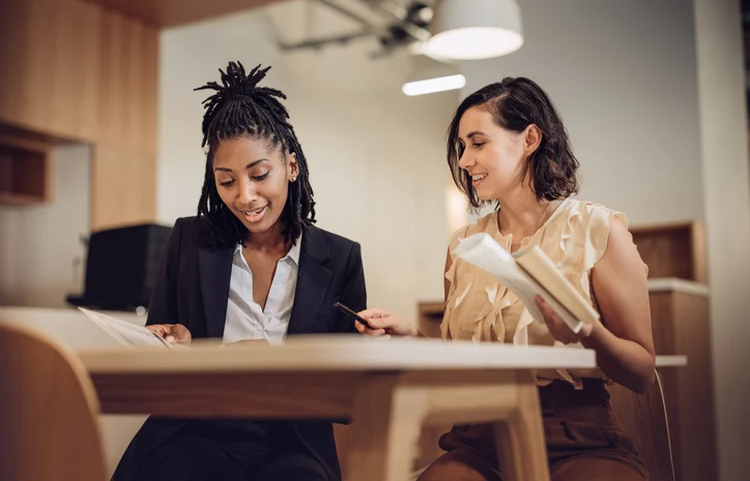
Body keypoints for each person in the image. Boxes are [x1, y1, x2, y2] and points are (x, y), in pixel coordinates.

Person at [356, 78, 654, 480]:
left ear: (529, 139)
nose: (464, 160)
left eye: (478, 143)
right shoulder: (465, 243)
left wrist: (586, 332)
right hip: (478, 439)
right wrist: (409, 337)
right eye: (462, 147)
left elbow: (640, 371)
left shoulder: (598, 229)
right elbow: (460, 367)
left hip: (576, 436)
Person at [113, 62, 366, 481]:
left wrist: (283, 371)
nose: (244, 196)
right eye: (226, 181)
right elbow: (158, 356)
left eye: (259, 174)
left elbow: (348, 399)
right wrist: (176, 346)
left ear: (292, 166)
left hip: (293, 440)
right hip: (193, 432)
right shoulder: (188, 241)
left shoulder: (340, 258)